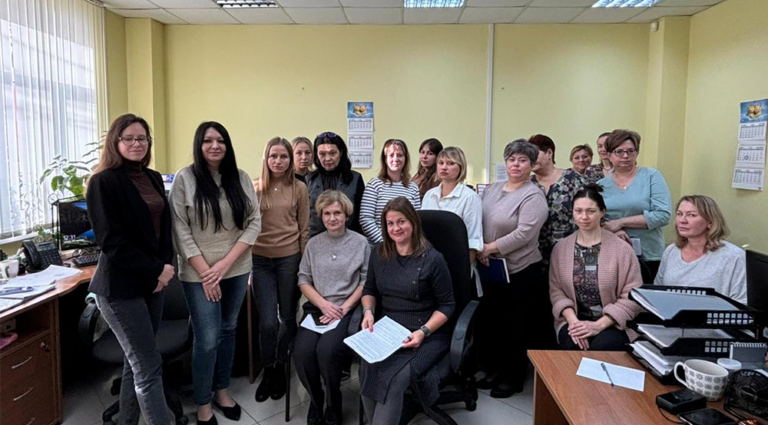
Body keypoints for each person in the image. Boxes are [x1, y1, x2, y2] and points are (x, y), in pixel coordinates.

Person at [86, 113, 175, 425]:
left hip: (153, 284)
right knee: (148, 366)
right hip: (120, 289)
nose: (137, 143)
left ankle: (126, 420)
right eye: (129, 138)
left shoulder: (152, 177)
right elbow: (112, 242)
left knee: (134, 361)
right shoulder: (103, 182)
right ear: (116, 141)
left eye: (142, 138)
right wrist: (156, 270)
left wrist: (165, 268)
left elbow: (164, 230)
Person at [170, 122, 261, 424]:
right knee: (207, 338)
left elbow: (254, 222)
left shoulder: (241, 177)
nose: (215, 146)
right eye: (208, 140)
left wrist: (224, 266)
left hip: (235, 269)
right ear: (199, 145)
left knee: (228, 329)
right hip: (198, 274)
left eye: (220, 140)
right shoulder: (185, 179)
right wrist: (207, 273)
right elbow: (180, 229)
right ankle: (203, 402)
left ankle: (222, 390)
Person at [359, 197, 454, 425]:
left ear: (413, 222)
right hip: (388, 329)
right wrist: (369, 311)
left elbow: (447, 305)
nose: (395, 228)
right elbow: (369, 289)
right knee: (367, 369)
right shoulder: (379, 253)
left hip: (426, 333)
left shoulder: (433, 259)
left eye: (401, 221)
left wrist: (423, 332)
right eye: (390, 223)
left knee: (394, 379)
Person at [476, 139, 548, 398]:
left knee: (517, 325)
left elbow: (525, 233)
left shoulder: (533, 195)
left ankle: (513, 377)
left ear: (531, 165)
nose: (516, 164)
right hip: (491, 267)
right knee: (494, 322)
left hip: (521, 271)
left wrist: (490, 248)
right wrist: (481, 249)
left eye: (522, 160)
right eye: (511, 159)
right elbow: (478, 219)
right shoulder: (492, 189)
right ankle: (495, 370)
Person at [294, 191, 371, 425]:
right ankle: (316, 399)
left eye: (337, 212)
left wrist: (343, 308)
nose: (332, 218)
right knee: (302, 352)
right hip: (318, 308)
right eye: (327, 213)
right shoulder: (314, 244)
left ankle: (333, 402)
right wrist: (323, 304)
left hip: (346, 310)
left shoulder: (360, 243)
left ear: (346, 215)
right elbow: (303, 279)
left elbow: (365, 282)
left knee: (327, 352)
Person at [549, 184, 643, 351]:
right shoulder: (561, 249)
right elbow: (557, 292)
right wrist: (574, 323)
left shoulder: (622, 249)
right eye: (578, 211)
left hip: (613, 323)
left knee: (602, 347)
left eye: (591, 211)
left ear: (602, 212)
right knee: (572, 346)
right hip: (574, 319)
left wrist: (598, 326)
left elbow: (633, 296)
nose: (584, 217)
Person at [251, 137, 310, 402]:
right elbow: (246, 228)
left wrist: (304, 264)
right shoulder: (254, 187)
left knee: (287, 317)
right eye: (273, 156)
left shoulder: (299, 188)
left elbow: (304, 228)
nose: (278, 161)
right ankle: (269, 368)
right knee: (267, 322)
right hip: (260, 260)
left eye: (283, 156)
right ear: (266, 158)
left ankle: (282, 366)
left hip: (289, 259)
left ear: (290, 160)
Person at [598, 129, 672, 281]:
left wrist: (620, 222)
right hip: (612, 253)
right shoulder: (601, 185)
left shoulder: (651, 176)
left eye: (630, 151)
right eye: (619, 151)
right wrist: (613, 231)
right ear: (609, 155)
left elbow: (663, 215)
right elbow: (596, 219)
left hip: (648, 255)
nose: (625, 156)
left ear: (637, 153)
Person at [655, 195, 747, 303]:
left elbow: (742, 303)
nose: (682, 220)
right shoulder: (671, 250)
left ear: (710, 221)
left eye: (691, 215)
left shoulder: (734, 257)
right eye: (679, 214)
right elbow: (657, 292)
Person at [421, 146, 484, 296]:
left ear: (460, 167)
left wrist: (461, 273)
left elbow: (473, 241)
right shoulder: (429, 195)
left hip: (457, 268)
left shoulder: (470, 197)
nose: (444, 167)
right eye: (441, 163)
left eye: (450, 163)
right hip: (429, 267)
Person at [528, 134, 587, 262]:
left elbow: (590, 212)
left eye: (534, 154)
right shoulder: (527, 184)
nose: (530, 159)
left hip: (570, 252)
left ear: (549, 153)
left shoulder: (573, 180)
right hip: (534, 255)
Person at [360, 139, 421, 244]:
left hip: (406, 245)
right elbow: (366, 219)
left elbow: (416, 220)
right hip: (380, 245)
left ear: (406, 159)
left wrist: (404, 244)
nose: (395, 159)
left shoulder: (413, 188)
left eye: (400, 155)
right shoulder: (374, 185)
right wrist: (385, 243)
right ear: (385, 159)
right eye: (391, 155)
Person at [305, 132, 365, 237]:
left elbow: (361, 215)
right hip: (316, 239)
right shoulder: (308, 180)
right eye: (322, 154)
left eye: (332, 153)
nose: (327, 158)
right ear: (316, 155)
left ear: (340, 152)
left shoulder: (355, 179)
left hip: (348, 239)